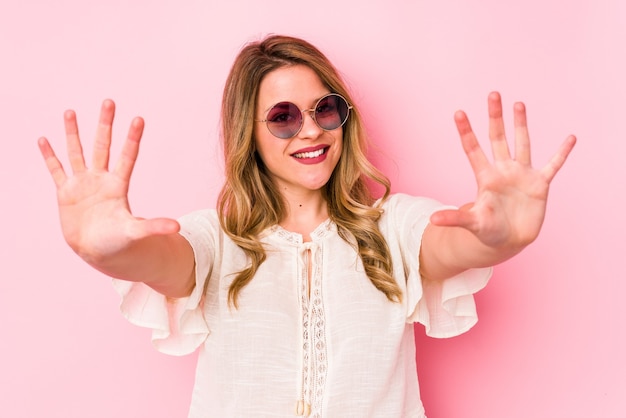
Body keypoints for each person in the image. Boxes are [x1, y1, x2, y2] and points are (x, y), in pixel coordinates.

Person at [37, 35, 576, 417]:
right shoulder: (216, 239)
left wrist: (502, 237)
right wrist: (104, 252)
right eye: (283, 116)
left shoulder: (391, 226)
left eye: (325, 109)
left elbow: (448, 244)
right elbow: (164, 262)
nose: (311, 130)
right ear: (249, 132)